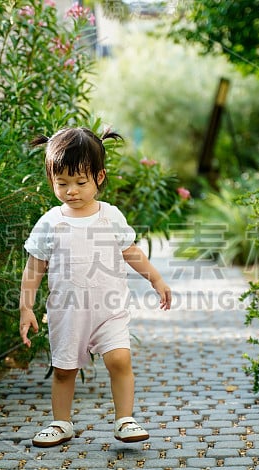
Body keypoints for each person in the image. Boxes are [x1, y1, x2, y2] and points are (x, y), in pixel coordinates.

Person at [20, 126, 172, 447]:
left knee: (119, 360)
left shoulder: (110, 217)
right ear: (51, 180)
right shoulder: (51, 222)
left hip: (109, 310)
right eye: (62, 183)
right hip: (67, 313)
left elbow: (131, 252)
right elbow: (34, 267)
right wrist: (26, 307)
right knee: (64, 371)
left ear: (99, 177)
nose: (71, 191)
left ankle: (125, 419)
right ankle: (61, 423)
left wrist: (155, 278)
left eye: (79, 182)